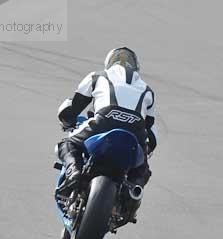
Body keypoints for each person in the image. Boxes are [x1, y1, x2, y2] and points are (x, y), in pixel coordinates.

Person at [56, 47, 157, 198]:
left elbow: (74, 107)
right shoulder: (147, 90)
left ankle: (74, 171)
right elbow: (149, 128)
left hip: (102, 122)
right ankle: (134, 191)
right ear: (136, 66)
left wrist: (67, 120)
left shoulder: (97, 76)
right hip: (135, 131)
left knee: (67, 144)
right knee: (142, 166)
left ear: (109, 62)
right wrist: (147, 149)